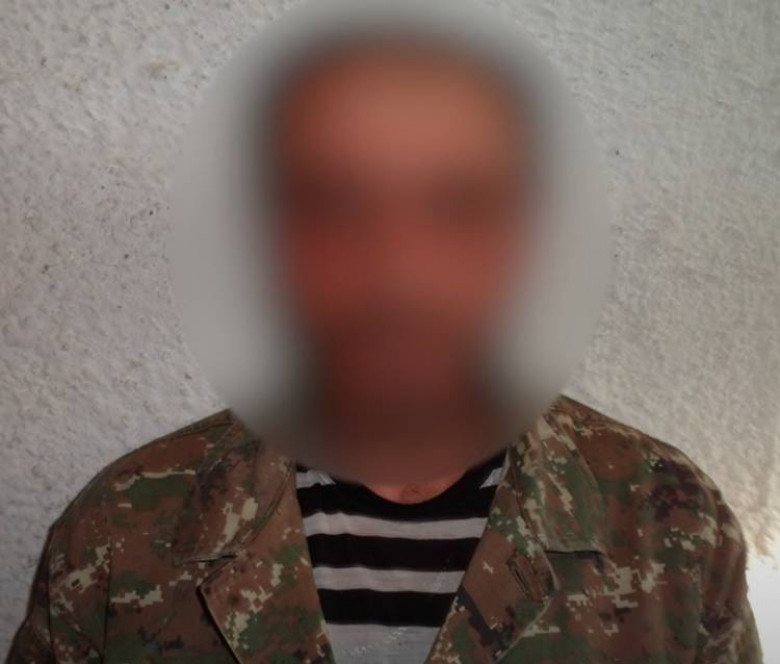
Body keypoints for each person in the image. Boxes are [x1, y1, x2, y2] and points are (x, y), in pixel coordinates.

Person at [9, 26, 761, 664]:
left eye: (461, 207)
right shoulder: (121, 533)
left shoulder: (672, 527)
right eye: (337, 207)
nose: (399, 274)